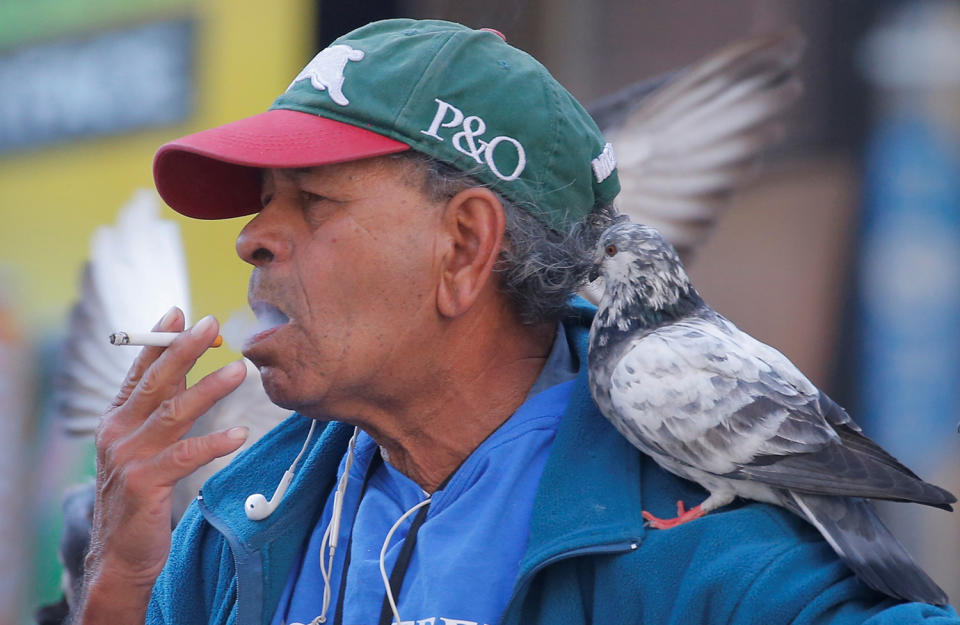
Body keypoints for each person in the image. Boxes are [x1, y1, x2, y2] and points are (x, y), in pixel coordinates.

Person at [76, 18, 958, 625]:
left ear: (464, 247)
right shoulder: (232, 520)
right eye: (264, 202)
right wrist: (118, 580)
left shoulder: (693, 549)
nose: (252, 241)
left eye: (310, 200)